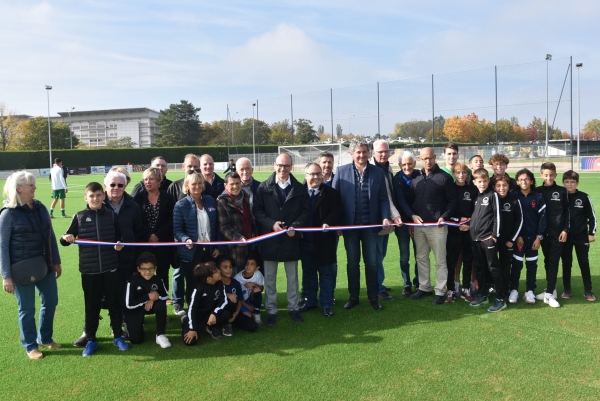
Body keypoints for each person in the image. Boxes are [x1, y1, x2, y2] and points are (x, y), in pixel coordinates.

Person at [60, 182, 129, 357]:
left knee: (114, 303)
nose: (95, 199)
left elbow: (119, 237)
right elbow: (64, 239)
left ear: (103, 196)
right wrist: (66, 237)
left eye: (98, 195)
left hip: (110, 268)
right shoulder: (80, 216)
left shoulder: (111, 216)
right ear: (86, 198)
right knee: (91, 306)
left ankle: (118, 336)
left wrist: (119, 245)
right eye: (91, 196)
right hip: (89, 271)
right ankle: (91, 339)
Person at [1, 171, 62, 360]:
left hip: (44, 265)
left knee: (51, 301)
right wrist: (6, 276)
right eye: (31, 185)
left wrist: (56, 261)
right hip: (20, 270)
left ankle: (45, 338)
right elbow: (2, 245)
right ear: (19, 188)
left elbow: (50, 235)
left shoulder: (41, 207)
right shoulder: (8, 213)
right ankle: (30, 345)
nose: (35, 187)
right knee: (26, 309)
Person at [333, 139, 391, 311]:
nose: (361, 155)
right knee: (352, 263)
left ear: (368, 153)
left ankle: (373, 298)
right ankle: (353, 297)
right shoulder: (341, 171)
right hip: (350, 228)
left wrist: (385, 217)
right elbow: (335, 201)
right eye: (358, 152)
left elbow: (383, 199)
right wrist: (337, 224)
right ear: (352, 154)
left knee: (372, 263)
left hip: (370, 227)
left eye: (364, 151)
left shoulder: (378, 173)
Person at [253, 153, 309, 326]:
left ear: (291, 167)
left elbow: (306, 211)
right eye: (280, 165)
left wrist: (296, 226)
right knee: (270, 278)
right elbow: (258, 212)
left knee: (292, 278)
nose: (282, 169)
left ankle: (293, 308)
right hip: (271, 239)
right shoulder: (263, 187)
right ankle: (271, 310)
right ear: (274, 165)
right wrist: (272, 224)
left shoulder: (300, 188)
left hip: (291, 240)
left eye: (286, 166)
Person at [409, 147, 456, 305]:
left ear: (435, 158)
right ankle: (424, 287)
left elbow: (452, 201)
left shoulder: (444, 178)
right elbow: (413, 201)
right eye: (424, 159)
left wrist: (444, 217)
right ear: (420, 160)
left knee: (440, 260)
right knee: (421, 258)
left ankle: (440, 290)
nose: (427, 161)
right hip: (419, 226)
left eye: (430, 158)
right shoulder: (416, 178)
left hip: (437, 227)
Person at [299, 163, 342, 317]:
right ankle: (310, 301)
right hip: (306, 242)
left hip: (325, 242)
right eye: (312, 174)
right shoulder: (299, 192)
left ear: (322, 176)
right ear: (306, 175)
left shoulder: (331, 193)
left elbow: (337, 211)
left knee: (326, 274)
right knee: (309, 274)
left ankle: (325, 304)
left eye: (318, 174)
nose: (315, 177)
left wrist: (328, 222)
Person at [173, 171, 220, 308]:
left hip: (209, 251)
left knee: (210, 283)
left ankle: (210, 315)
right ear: (187, 185)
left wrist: (217, 246)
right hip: (191, 252)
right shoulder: (180, 205)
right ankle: (192, 315)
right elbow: (177, 230)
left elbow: (216, 226)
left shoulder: (210, 200)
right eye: (194, 183)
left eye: (200, 183)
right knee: (193, 285)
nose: (197, 186)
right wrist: (186, 238)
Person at [133, 167, 175, 296]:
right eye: (145, 179)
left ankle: (163, 303)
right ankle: (143, 305)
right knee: (144, 274)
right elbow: (137, 221)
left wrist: (158, 235)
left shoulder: (168, 198)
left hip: (163, 244)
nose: (148, 182)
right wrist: (148, 235)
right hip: (144, 244)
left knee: (162, 274)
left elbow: (171, 220)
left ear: (159, 180)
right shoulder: (138, 198)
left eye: (151, 179)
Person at [370, 140, 403, 301]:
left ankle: (378, 282)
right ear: (373, 153)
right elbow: (386, 198)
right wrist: (396, 215)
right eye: (379, 151)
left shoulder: (387, 168)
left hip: (387, 220)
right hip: (378, 219)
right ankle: (377, 288)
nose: (383, 154)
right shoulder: (373, 170)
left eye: (385, 151)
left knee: (380, 254)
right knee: (375, 255)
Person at [468, 168, 505, 312]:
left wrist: (494, 236)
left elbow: (498, 216)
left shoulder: (492, 195)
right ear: (474, 182)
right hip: (475, 240)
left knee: (493, 268)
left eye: (484, 181)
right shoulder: (476, 198)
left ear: (488, 181)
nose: (482, 184)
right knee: (480, 268)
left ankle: (501, 298)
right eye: (479, 181)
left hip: (488, 239)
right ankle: (482, 294)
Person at [509, 169, 546, 305]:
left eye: (526, 179)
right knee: (517, 265)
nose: (524, 182)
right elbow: (511, 219)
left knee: (532, 265)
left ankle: (530, 291)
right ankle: (514, 290)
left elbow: (542, 219)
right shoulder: (513, 196)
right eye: (521, 179)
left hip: (533, 239)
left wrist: (538, 237)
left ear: (531, 181)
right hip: (519, 239)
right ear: (517, 182)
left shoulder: (538, 197)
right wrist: (517, 235)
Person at [534, 162, 569, 308]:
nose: (548, 177)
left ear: (555, 175)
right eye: (546, 175)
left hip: (558, 233)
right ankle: (551, 289)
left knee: (554, 261)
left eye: (551, 175)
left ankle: (549, 294)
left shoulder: (562, 191)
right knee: (547, 260)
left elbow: (567, 212)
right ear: (541, 175)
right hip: (543, 233)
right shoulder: (536, 191)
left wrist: (565, 229)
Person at [560, 170, 596, 301]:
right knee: (566, 263)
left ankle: (588, 290)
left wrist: (591, 233)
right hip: (565, 237)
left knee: (583, 263)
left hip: (581, 236)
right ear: (563, 183)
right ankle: (567, 289)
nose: (569, 184)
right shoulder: (560, 197)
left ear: (577, 183)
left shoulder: (584, 197)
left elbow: (592, 217)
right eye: (567, 182)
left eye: (572, 182)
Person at [445, 162, 477, 302]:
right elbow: (446, 210)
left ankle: (466, 289)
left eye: (463, 173)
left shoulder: (472, 190)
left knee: (468, 260)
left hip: (468, 231)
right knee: (451, 261)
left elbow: (477, 212)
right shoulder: (449, 189)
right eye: (458, 172)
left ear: (467, 174)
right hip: (453, 230)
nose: (461, 175)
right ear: (454, 174)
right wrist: (457, 220)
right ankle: (451, 290)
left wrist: (469, 224)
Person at [124, 252, 171, 348]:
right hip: (135, 309)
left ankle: (160, 335)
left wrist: (152, 299)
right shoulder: (132, 282)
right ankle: (128, 324)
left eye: (150, 269)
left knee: (161, 305)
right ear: (138, 269)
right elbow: (129, 304)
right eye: (144, 269)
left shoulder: (158, 280)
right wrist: (147, 297)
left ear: (155, 268)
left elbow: (165, 296)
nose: (147, 272)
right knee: (137, 340)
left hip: (151, 306)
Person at [392, 151, 421, 297]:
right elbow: (401, 201)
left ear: (414, 163)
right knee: (404, 256)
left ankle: (418, 281)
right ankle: (406, 283)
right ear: (399, 165)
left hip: (418, 222)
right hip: (403, 223)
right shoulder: (396, 179)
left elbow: (420, 199)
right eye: (403, 164)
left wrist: (414, 220)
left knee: (419, 254)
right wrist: (410, 218)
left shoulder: (420, 175)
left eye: (410, 163)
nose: (407, 166)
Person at [216, 172, 257, 273]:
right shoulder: (222, 201)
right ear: (225, 185)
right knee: (235, 278)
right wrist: (238, 238)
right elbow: (223, 227)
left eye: (238, 183)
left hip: (249, 246)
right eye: (232, 184)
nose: (235, 186)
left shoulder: (246, 196)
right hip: (233, 250)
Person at [182, 262, 229, 345]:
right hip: (199, 316)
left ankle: (211, 326)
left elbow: (224, 301)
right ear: (209, 279)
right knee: (190, 341)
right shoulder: (198, 290)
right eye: (216, 271)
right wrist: (192, 329)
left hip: (211, 313)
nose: (219, 271)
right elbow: (192, 309)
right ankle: (186, 320)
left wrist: (214, 313)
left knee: (226, 314)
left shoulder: (220, 284)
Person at [494, 174, 523, 306]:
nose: (501, 188)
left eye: (504, 185)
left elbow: (519, 221)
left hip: (508, 242)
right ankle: (494, 288)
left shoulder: (515, 201)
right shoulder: (492, 200)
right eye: (498, 185)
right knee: (493, 266)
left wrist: (512, 239)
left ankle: (505, 291)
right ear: (494, 187)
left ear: (508, 187)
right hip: (493, 240)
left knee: (506, 267)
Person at [216, 255, 258, 333]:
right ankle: (223, 324)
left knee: (253, 326)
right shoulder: (216, 283)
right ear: (218, 269)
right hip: (221, 312)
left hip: (233, 312)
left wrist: (236, 313)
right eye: (225, 267)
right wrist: (227, 294)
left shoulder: (235, 283)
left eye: (230, 267)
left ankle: (232, 322)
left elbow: (239, 300)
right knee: (230, 300)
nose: (229, 270)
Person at [234, 253, 265, 324]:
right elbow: (237, 297)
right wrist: (248, 306)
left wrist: (253, 284)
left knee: (256, 289)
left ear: (257, 268)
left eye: (252, 264)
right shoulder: (237, 278)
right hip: (241, 302)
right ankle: (250, 310)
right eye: (247, 263)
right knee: (249, 318)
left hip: (251, 297)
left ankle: (257, 313)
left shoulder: (258, 274)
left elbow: (261, 289)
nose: (248, 266)